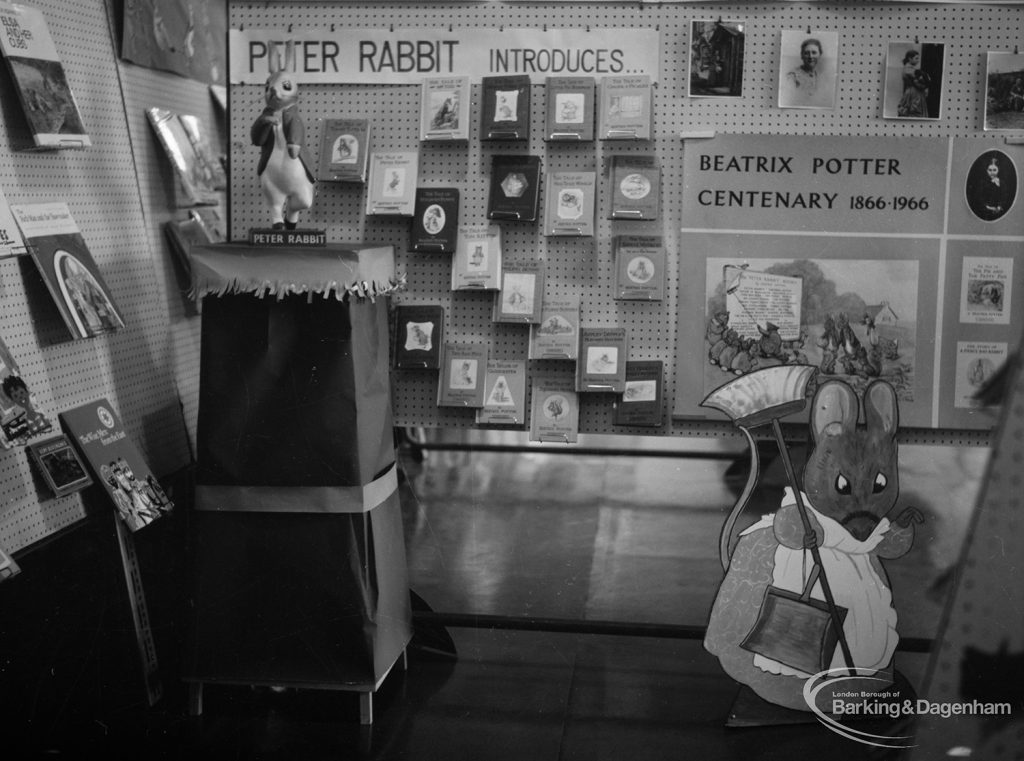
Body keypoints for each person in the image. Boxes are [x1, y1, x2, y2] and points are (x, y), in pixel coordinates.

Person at [782, 37, 831, 108]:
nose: (810, 56)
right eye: (806, 53)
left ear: (820, 55)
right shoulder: (792, 76)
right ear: (802, 56)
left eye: (814, 52)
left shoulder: (822, 77)